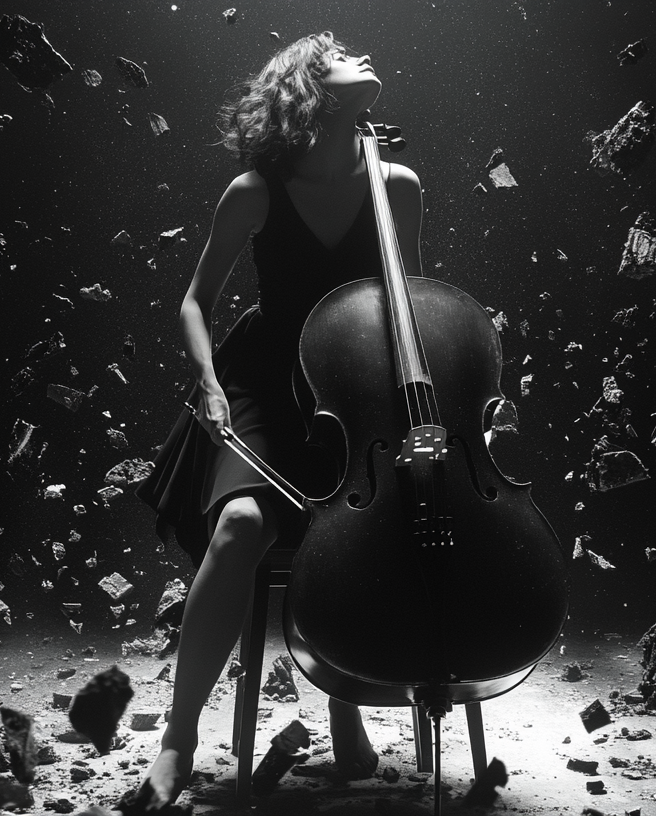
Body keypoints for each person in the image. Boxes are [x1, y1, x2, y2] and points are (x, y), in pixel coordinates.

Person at [131, 31, 423, 811]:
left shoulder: (397, 185)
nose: (363, 52)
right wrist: (209, 386)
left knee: (360, 529)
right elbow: (194, 301)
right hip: (262, 381)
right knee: (239, 529)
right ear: (308, 84)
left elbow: (409, 314)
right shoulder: (255, 191)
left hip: (355, 387)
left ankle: (343, 701)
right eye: (339, 50)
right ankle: (179, 739)